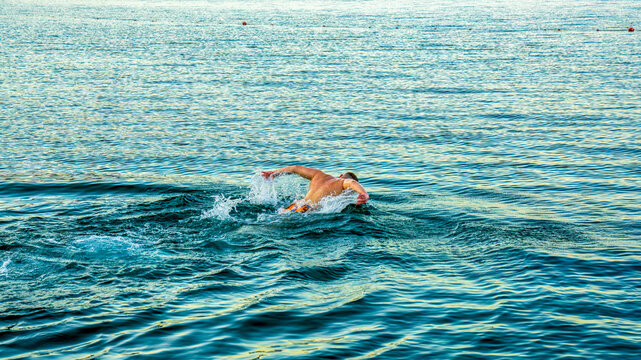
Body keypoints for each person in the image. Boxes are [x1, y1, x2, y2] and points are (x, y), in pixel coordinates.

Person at [261, 165, 369, 213]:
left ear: (340, 175)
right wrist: (364, 193)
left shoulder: (318, 174)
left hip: (294, 206)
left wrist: (274, 173)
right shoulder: (342, 183)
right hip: (308, 210)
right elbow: (352, 183)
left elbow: (295, 168)